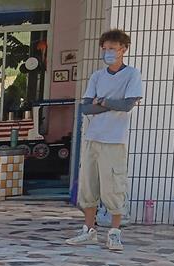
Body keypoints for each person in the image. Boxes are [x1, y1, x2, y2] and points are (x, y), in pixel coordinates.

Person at [67, 29, 143, 251]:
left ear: (123, 49)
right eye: (105, 48)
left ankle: (115, 233)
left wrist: (103, 102)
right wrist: (108, 104)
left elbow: (127, 105)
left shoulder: (132, 75)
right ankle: (88, 230)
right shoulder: (97, 76)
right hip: (93, 137)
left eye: (113, 48)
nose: (108, 52)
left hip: (115, 139)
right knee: (88, 185)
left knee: (114, 186)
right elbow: (86, 107)